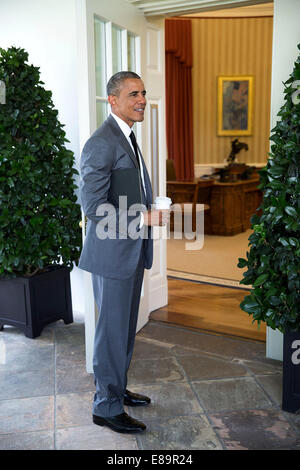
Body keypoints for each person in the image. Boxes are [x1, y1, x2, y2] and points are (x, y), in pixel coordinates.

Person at [79, 71, 169, 434]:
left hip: (130, 251)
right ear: (112, 100)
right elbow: (93, 207)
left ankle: (115, 389)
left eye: (143, 93)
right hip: (112, 256)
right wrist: (144, 216)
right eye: (133, 94)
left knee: (123, 329)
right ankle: (105, 406)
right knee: (111, 333)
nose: (142, 100)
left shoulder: (127, 136)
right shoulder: (101, 142)